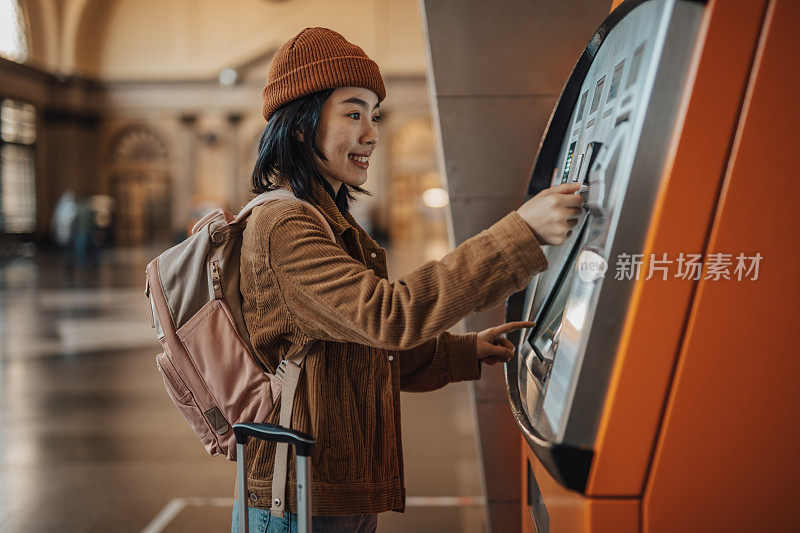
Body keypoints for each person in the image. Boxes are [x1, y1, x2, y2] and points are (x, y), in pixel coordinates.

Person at [234, 27, 582, 533]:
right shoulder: (284, 226)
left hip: (330, 487)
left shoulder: (325, 217)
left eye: (373, 115)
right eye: (353, 113)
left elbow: (351, 351)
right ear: (302, 126)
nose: (372, 132)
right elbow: (385, 318)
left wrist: (464, 351)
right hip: (297, 501)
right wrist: (521, 233)